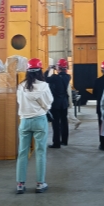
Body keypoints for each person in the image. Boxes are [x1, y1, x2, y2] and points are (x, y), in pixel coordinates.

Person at [16, 58, 53, 194]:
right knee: (40, 152)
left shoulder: (21, 86)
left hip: (25, 121)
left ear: (28, 71)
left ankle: (20, 184)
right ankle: (40, 184)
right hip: (39, 120)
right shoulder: (44, 86)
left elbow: (19, 101)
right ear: (40, 71)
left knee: (22, 152)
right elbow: (49, 102)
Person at [45, 58, 71, 148]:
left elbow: (44, 79)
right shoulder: (68, 77)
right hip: (64, 103)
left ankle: (56, 143)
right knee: (64, 122)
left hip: (56, 104)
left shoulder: (54, 78)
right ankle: (64, 140)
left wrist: (48, 69)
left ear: (58, 68)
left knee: (56, 123)